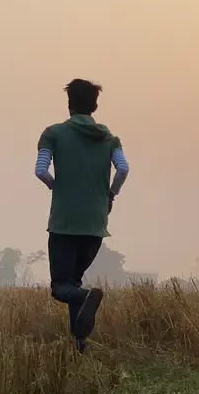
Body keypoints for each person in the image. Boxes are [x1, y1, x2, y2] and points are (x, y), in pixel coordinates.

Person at [34, 78, 129, 353]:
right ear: (95, 105)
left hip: (65, 223)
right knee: (72, 283)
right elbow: (123, 169)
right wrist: (110, 194)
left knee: (61, 287)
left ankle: (87, 298)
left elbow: (40, 170)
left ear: (69, 104)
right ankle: (80, 343)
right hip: (96, 225)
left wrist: (56, 186)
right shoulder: (110, 139)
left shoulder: (53, 134)